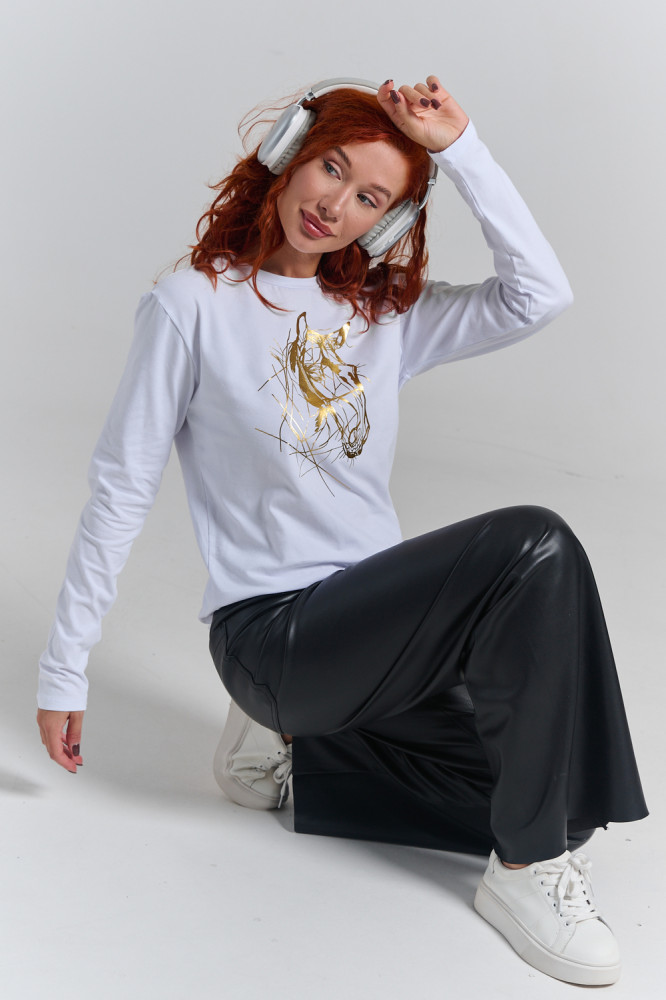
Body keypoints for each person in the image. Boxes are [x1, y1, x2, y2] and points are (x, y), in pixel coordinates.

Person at [36, 76, 648, 986]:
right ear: (288, 154)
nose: (336, 204)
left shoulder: (384, 316)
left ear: (389, 222)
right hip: (274, 639)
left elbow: (540, 295)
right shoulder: (190, 305)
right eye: (332, 168)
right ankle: (522, 873)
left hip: (377, 643)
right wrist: (64, 668)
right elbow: (121, 489)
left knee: (564, 801)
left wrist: (460, 149)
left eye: (371, 197)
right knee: (536, 542)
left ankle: (297, 762)